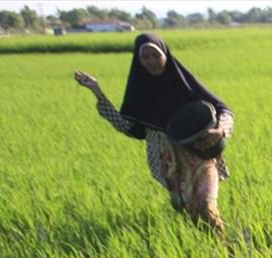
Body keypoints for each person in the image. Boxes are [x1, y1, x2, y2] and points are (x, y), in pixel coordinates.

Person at [74, 34, 234, 234]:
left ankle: (227, 248)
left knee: (206, 207)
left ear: (165, 54)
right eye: (146, 57)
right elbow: (127, 126)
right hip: (168, 162)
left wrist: (220, 131)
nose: (151, 61)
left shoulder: (184, 83)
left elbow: (224, 111)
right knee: (190, 213)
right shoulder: (140, 93)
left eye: (155, 55)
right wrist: (97, 92)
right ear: (139, 61)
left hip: (198, 154)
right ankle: (211, 249)